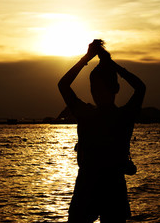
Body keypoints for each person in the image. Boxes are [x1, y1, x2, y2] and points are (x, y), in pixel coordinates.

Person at [58, 40, 146, 223]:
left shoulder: (87, 114)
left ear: (113, 89)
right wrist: (110, 63)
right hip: (110, 188)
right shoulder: (124, 116)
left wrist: (87, 58)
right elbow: (140, 87)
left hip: (91, 186)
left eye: (97, 87)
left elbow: (64, 85)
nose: (95, 92)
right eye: (93, 88)